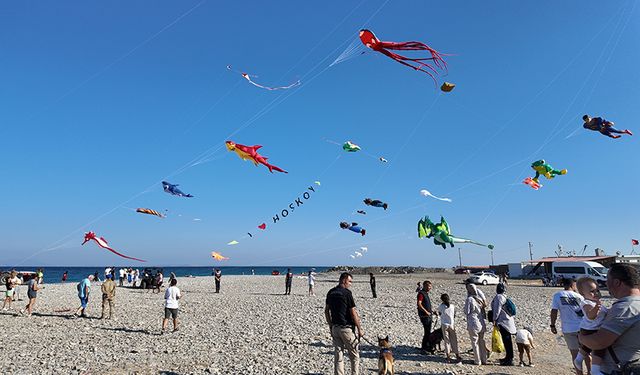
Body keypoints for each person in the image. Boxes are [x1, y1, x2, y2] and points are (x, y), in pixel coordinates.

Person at [578, 263, 640, 374]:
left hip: (619, 369)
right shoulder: (636, 303)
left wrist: (581, 337)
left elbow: (599, 342)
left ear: (616, 282)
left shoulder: (626, 308)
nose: (605, 283)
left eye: (607, 279)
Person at [325, 272, 363, 375]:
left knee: (339, 355)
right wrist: (360, 329)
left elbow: (326, 311)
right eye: (349, 281)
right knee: (354, 355)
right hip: (346, 328)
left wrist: (330, 325)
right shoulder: (347, 293)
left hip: (335, 328)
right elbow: (353, 312)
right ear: (343, 280)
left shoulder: (331, 292)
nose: (350, 284)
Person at [572, 277, 608, 375]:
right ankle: (595, 370)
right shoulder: (586, 303)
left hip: (590, 329)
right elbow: (590, 316)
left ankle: (578, 359)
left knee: (586, 347)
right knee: (599, 347)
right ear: (583, 294)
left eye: (598, 290)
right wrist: (596, 308)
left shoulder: (596, 303)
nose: (596, 293)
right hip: (590, 329)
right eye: (592, 291)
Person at [551, 278, 584, 374]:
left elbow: (554, 311)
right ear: (572, 285)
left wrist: (552, 325)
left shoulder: (557, 295)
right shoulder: (579, 296)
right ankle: (590, 372)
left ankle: (579, 373)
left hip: (568, 328)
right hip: (582, 327)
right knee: (586, 352)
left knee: (574, 354)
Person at [492, 283, 516, 366]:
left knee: (506, 340)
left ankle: (509, 359)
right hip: (508, 321)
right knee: (508, 340)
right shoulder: (504, 296)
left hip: (503, 322)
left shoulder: (499, 297)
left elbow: (497, 310)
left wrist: (494, 319)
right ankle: (508, 357)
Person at [465, 283, 488, 365]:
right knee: (482, 341)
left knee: (475, 342)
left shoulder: (470, 299)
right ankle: (484, 359)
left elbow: (466, 311)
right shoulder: (479, 299)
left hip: (473, 322)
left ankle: (477, 360)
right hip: (481, 322)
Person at [438, 293, 462, 362]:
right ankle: (457, 355)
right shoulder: (452, 306)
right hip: (451, 324)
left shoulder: (441, 306)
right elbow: (454, 315)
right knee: (454, 340)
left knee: (446, 340)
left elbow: (440, 313)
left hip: (444, 324)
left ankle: (448, 356)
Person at [417, 280, 434, 353]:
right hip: (424, 316)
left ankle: (426, 346)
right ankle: (424, 348)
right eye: (428, 286)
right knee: (427, 332)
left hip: (428, 315)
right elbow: (419, 304)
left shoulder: (426, 294)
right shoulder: (421, 294)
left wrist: (432, 312)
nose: (430, 287)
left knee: (428, 331)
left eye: (430, 286)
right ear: (424, 286)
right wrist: (426, 312)